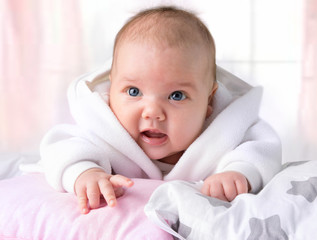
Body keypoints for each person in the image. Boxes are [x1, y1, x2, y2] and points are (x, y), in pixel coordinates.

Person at [39, 6, 282, 214]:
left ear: (209, 101)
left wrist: (239, 173)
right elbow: (61, 149)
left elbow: (261, 149)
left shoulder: (224, 130)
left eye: (176, 95)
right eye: (133, 92)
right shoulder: (106, 128)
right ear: (112, 90)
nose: (152, 112)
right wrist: (85, 172)